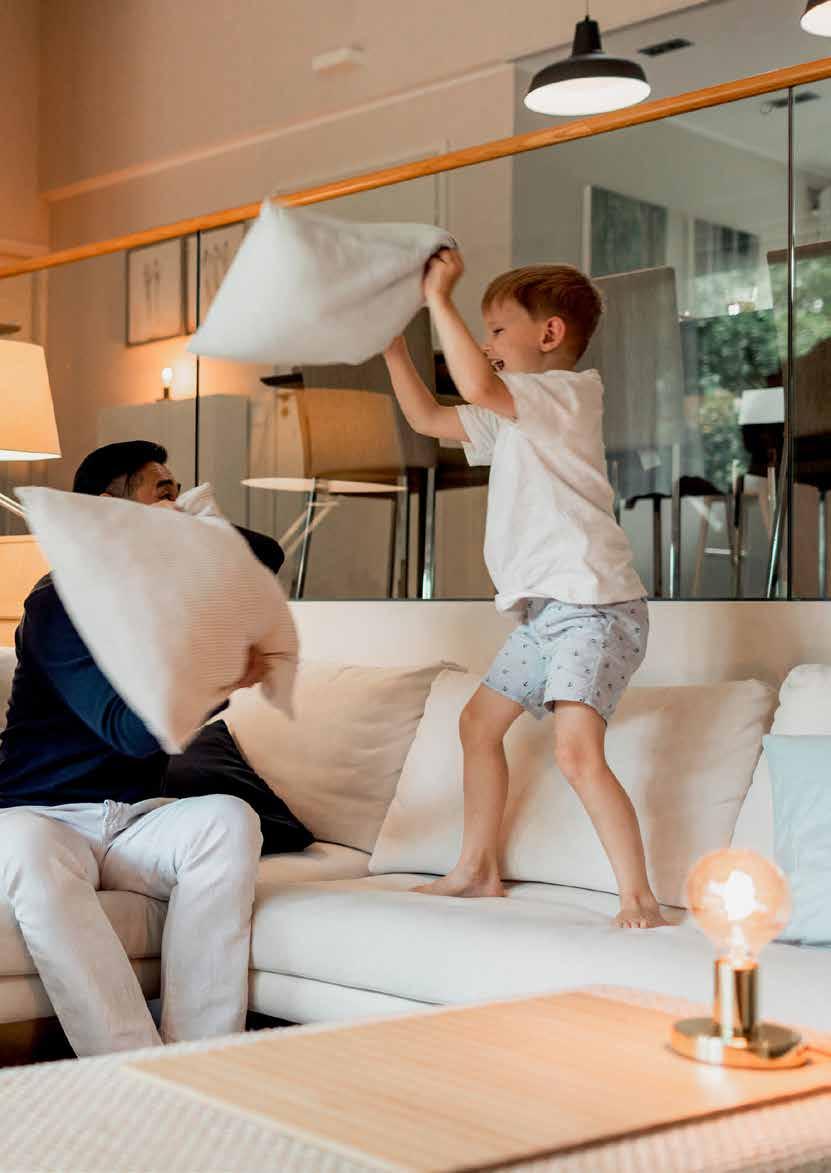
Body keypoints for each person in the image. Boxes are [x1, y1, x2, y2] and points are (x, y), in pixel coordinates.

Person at [0, 441, 310, 1057]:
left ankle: (199, 1056)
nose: (178, 500)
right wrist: (220, 677)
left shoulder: (158, 599)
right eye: (162, 490)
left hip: (132, 820)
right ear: (108, 510)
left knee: (228, 818)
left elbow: (266, 555)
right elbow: (127, 730)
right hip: (39, 815)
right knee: (24, 850)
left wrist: (183, 522)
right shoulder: (59, 603)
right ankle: (129, 1063)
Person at [384, 251, 666, 929]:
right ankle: (477, 869)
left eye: (496, 330)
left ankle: (639, 898)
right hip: (547, 613)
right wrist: (393, 348)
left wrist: (438, 299)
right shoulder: (512, 415)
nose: (487, 343)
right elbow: (427, 419)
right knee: (476, 724)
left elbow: (478, 385)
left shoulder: (568, 394)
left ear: (549, 333)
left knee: (575, 752)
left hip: (594, 608)